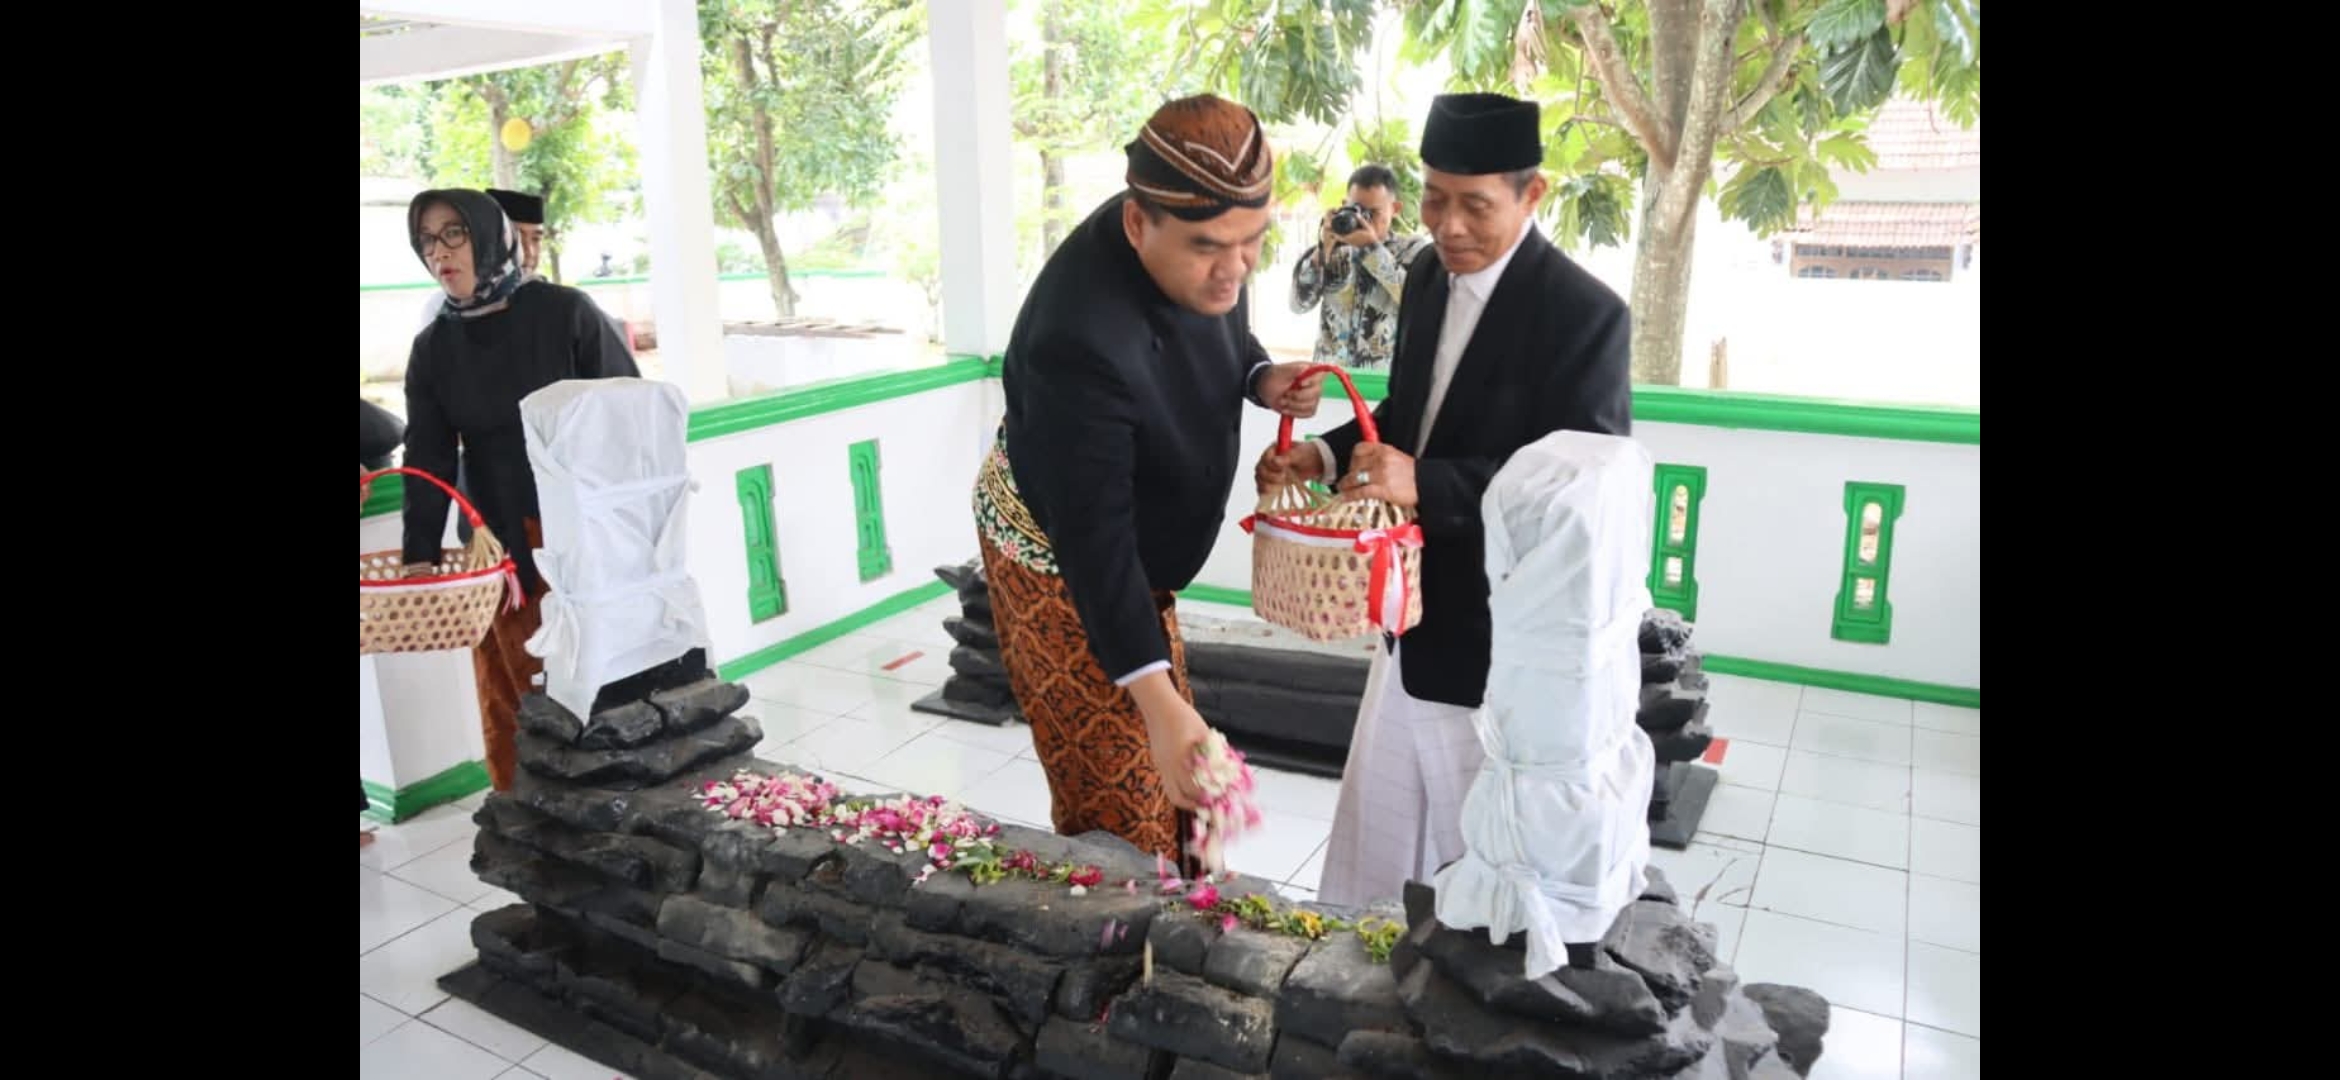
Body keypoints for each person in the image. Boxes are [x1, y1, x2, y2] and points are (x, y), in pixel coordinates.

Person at [1256, 92, 1634, 907]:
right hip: (1409, 611)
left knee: (1482, 860)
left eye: (1475, 205)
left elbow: (1582, 494)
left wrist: (1425, 484)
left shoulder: (1585, 315)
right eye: (1433, 199)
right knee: (1384, 838)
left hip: (1501, 639)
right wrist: (1324, 454)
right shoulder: (1427, 275)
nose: (1449, 225)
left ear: (1533, 195)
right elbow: (1410, 415)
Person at [974, 94, 1324, 870]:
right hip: (1055, 557)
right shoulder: (1076, 339)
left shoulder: (1198, 226)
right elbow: (1094, 544)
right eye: (1212, 248)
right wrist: (1159, 704)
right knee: (1123, 802)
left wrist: (1261, 377)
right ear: (1137, 224)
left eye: (1253, 242)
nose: (1235, 269)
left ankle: (1188, 906)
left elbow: (1222, 327)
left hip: (1130, 547)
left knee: (1185, 787)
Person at [401, 188, 640, 792]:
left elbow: (631, 417)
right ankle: (525, 811)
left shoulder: (565, 313)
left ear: (488, 234)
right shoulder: (434, 347)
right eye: (427, 240)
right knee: (510, 686)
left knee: (590, 677)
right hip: (495, 546)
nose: (439, 252)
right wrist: (419, 553)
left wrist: (629, 529)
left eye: (453, 233)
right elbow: (428, 453)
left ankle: (609, 802)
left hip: (579, 533)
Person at [1290, 164, 1432, 371]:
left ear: (1395, 209)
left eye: (1373, 212)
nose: (1363, 219)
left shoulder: (1412, 250)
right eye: (1357, 210)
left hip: (1383, 379)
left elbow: (1418, 304)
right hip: (1330, 376)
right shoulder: (1331, 249)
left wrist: (1371, 249)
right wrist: (1321, 253)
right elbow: (1298, 305)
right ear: (1344, 205)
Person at [419, 189, 548, 330]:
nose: (529, 251)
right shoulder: (438, 313)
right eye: (516, 238)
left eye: (536, 239)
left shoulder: (557, 305)